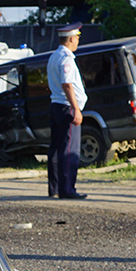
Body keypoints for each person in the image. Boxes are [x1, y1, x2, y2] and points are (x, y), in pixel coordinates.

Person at [46, 22, 87, 199]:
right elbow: (67, 84)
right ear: (71, 38)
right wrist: (76, 109)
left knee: (56, 148)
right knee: (69, 150)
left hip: (56, 104)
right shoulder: (67, 58)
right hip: (67, 106)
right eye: (77, 38)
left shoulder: (54, 56)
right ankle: (67, 189)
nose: (77, 41)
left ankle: (55, 187)